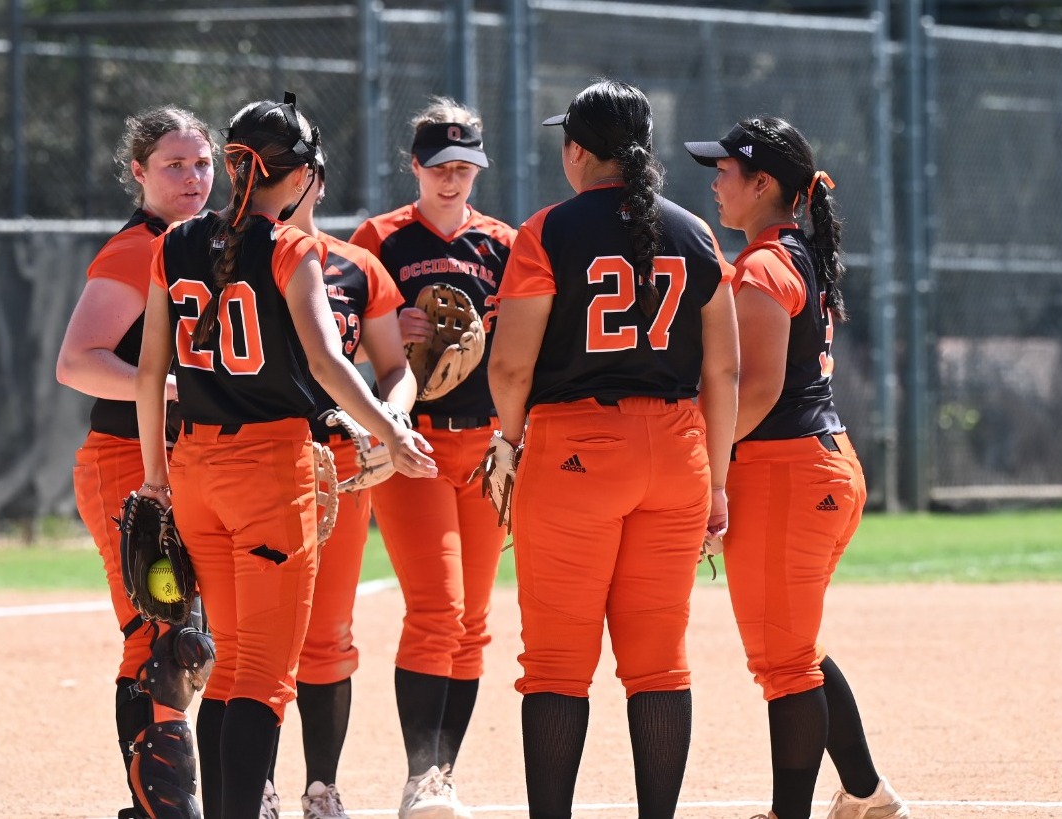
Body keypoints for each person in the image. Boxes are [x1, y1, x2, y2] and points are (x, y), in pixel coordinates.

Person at [134, 94, 438, 819]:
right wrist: (391, 430)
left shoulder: (172, 243)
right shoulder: (294, 249)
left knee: (230, 665)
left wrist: (153, 476)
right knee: (265, 679)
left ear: (237, 164)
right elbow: (331, 365)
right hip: (270, 469)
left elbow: (150, 374)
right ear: (298, 176)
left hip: (195, 468)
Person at [486, 79, 738, 819]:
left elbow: (509, 365)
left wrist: (506, 439)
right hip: (678, 451)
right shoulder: (695, 232)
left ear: (578, 151)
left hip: (575, 450)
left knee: (558, 664)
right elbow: (722, 369)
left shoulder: (548, 230)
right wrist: (717, 482)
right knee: (658, 661)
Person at [684, 117, 911, 819]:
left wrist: (702, 469)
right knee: (796, 649)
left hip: (786, 472)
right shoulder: (790, 255)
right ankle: (868, 795)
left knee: (784, 664)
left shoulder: (762, 264)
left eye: (726, 170)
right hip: (816, 467)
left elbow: (756, 388)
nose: (715, 180)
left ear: (763, 184)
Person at [348, 96, 517, 819]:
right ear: (414, 166)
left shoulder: (504, 244)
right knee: (438, 608)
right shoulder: (379, 238)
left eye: (465, 167)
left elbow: (521, 344)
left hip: (484, 443)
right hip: (410, 441)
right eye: (441, 166)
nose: (453, 180)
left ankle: (441, 774)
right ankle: (419, 775)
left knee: (473, 619)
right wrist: (386, 328)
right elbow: (340, 341)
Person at [55, 105, 214, 819]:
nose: (192, 177)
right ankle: (157, 805)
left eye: (203, 163)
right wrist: (170, 384)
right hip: (125, 461)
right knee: (161, 633)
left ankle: (164, 799)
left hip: (183, 460)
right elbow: (76, 362)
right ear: (139, 172)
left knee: (185, 636)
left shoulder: (204, 245)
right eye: (174, 165)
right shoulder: (137, 248)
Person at [267, 140, 418, 819]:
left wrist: (391, 417)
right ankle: (257, 785)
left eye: (300, 174)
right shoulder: (226, 257)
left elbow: (394, 365)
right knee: (257, 636)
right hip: (258, 464)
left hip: (341, 470)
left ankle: (320, 788)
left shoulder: (357, 268)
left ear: (317, 183)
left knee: (328, 633)